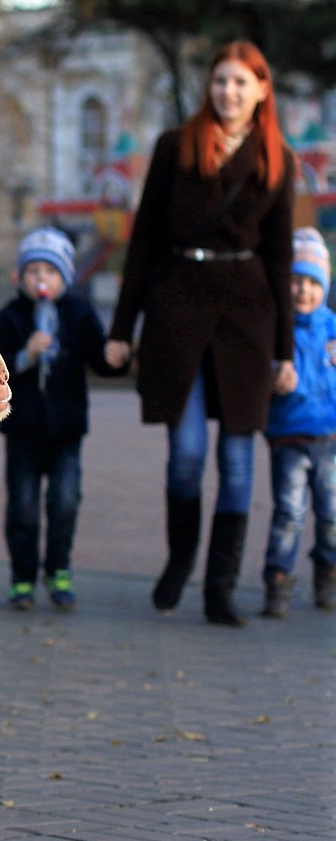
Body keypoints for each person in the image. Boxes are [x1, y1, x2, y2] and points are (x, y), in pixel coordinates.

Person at [104, 39, 296, 627]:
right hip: (178, 310)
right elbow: (142, 244)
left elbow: (282, 257)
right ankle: (180, 559)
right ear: (210, 86)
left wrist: (285, 352)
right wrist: (121, 328)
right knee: (186, 455)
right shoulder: (175, 148)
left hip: (247, 319)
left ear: (261, 90)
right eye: (221, 81)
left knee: (238, 462)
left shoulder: (277, 159)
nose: (229, 92)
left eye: (241, 82)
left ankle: (219, 587)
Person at [0, 227, 128, 612]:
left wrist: (119, 356)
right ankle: (22, 579)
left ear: (64, 277)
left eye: (49, 272)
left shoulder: (79, 314)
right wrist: (24, 354)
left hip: (66, 431)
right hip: (23, 431)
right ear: (21, 277)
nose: (41, 280)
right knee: (24, 508)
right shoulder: (9, 318)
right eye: (32, 271)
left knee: (65, 502)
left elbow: (100, 359)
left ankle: (59, 571)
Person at [259, 227, 336, 617]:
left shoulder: (332, 328)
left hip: (329, 438)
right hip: (288, 437)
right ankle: (277, 580)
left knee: (332, 513)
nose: (303, 290)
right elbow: (258, 375)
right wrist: (274, 375)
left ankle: (327, 574)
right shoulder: (275, 328)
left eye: (312, 282)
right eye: (295, 280)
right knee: (289, 512)